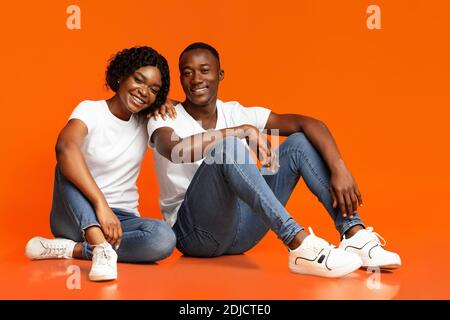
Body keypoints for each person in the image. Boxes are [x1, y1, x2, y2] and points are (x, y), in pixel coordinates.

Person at [147, 42, 401, 278]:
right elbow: (175, 150)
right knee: (228, 147)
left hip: (242, 233)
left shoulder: (235, 111)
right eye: (187, 73)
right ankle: (299, 244)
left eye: (204, 70)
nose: (196, 79)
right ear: (180, 78)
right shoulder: (164, 117)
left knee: (299, 143)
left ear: (220, 75)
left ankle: (353, 233)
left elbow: (307, 123)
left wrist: (339, 167)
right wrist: (242, 131)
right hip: (195, 235)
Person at [25, 46, 177, 281]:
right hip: (76, 214)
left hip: (122, 220)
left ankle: (71, 249)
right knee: (65, 163)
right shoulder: (91, 110)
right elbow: (65, 147)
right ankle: (100, 247)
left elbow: (190, 109)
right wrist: (101, 207)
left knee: (163, 238)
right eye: (139, 80)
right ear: (121, 75)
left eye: (153, 89)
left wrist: (166, 101)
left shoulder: (146, 121)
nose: (143, 91)